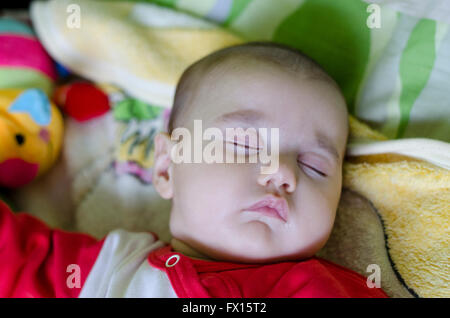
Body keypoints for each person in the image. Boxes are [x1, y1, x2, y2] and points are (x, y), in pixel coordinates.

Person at [0, 42, 388, 298]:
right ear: (167, 166)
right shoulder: (110, 267)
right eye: (244, 144)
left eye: (314, 165)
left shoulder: (322, 289)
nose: (283, 172)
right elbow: (14, 258)